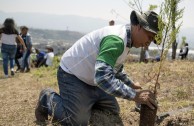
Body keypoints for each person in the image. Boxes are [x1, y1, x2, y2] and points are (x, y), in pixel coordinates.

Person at [35, 10, 159, 125]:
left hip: (92, 78)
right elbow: (102, 78)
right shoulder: (116, 40)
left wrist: (130, 83)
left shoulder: (128, 40)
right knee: (76, 122)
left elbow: (115, 66)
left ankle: (84, 103)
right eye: (149, 36)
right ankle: (47, 98)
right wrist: (134, 95)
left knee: (112, 110)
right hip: (72, 75)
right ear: (139, 27)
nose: (149, 42)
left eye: (152, 39)